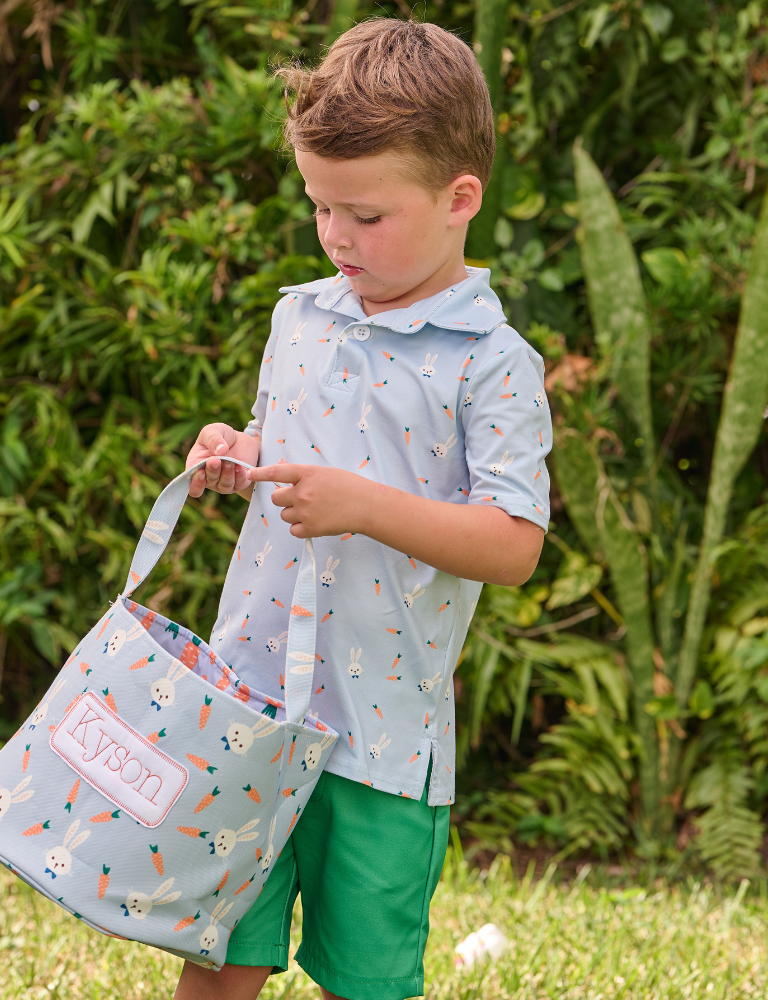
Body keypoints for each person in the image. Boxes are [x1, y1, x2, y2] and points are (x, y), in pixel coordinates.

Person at [174, 17, 552, 1000]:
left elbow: (512, 545)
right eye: (318, 207)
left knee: (368, 979)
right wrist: (235, 453)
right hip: (252, 700)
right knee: (220, 949)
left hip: (380, 738)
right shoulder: (297, 317)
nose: (336, 234)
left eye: (365, 215)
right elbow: (285, 447)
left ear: (457, 199)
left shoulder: (492, 367)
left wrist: (364, 507)